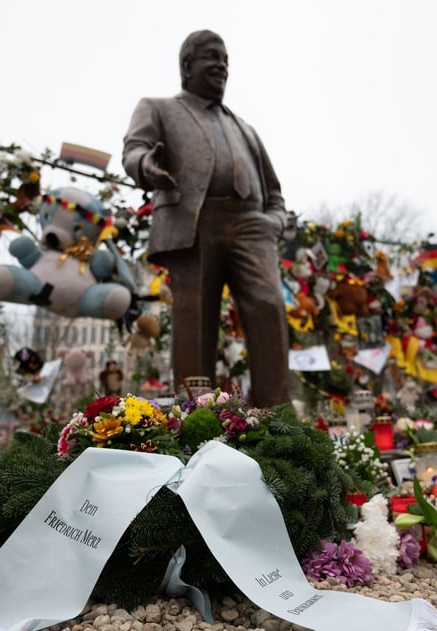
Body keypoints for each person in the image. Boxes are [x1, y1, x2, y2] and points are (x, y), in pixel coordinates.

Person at [122, 30, 290, 408]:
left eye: (226, 60)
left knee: (269, 310)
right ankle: (197, 416)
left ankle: (278, 417)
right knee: (195, 319)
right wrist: (147, 166)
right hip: (194, 222)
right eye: (212, 57)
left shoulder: (246, 129)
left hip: (252, 226)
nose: (221, 66)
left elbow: (274, 191)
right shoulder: (159, 108)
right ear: (187, 66)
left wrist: (275, 222)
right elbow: (134, 150)